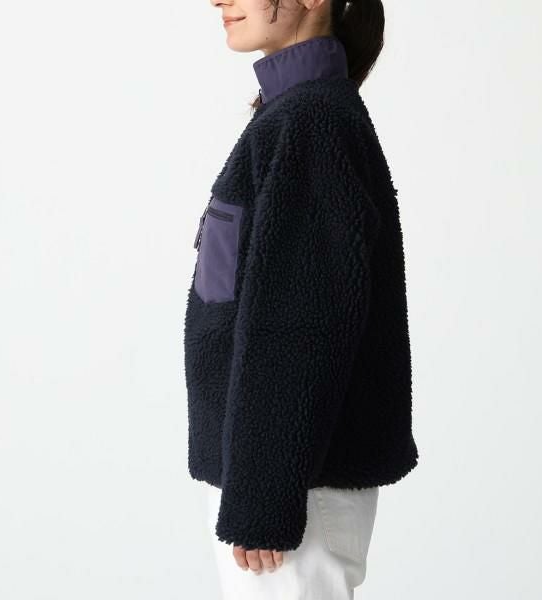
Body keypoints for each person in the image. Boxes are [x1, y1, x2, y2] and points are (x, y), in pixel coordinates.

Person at [183, 0, 420, 597]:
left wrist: (264, 500)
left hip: (293, 489)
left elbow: (298, 322)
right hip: (280, 479)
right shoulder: (293, 114)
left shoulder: (311, 122)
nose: (219, 0)